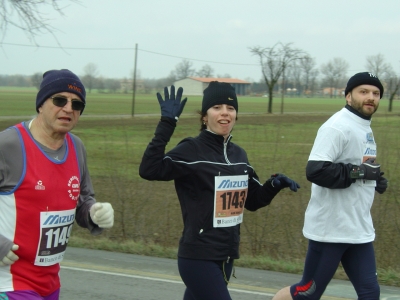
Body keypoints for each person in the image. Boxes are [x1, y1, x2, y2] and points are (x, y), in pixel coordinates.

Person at [139, 81, 300, 300]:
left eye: (231, 108)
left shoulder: (239, 156)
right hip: (198, 257)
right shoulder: (191, 150)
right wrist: (167, 123)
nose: (225, 113)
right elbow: (149, 169)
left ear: (236, 115)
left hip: (226, 256)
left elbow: (252, 201)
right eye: (217, 108)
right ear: (205, 116)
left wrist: (274, 185)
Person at [272, 72, 389, 300]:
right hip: (331, 229)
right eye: (363, 92)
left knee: (370, 293)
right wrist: (360, 172)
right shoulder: (337, 126)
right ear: (348, 96)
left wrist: (372, 179)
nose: (370, 98)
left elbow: (354, 166)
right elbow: (315, 170)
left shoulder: (364, 127)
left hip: (357, 228)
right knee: (308, 292)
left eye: (375, 94)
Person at [0, 69, 114, 300]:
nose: (69, 108)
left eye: (77, 104)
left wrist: (93, 212)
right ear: (41, 104)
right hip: (9, 282)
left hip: (50, 283)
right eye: (60, 100)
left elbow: (82, 200)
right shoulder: (9, 144)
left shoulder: (76, 147)